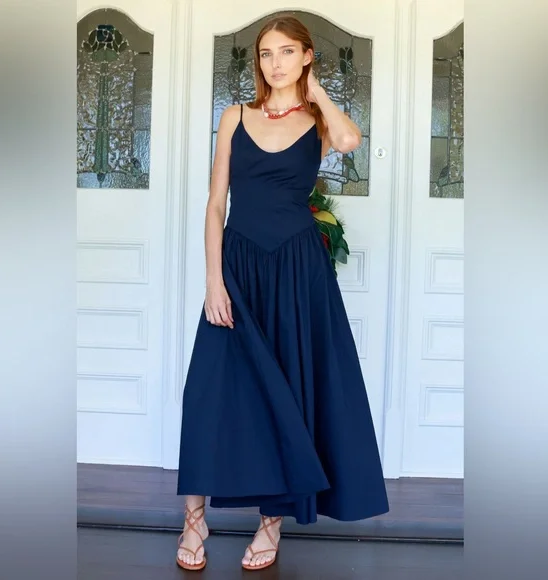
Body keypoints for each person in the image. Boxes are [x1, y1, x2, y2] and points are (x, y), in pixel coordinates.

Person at [175, 14, 389, 572]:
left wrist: (318, 94)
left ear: (307, 56)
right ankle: (194, 519)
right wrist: (214, 280)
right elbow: (215, 204)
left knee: (289, 392)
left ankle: (270, 525)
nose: (275, 63)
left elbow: (350, 140)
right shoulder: (234, 116)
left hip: (298, 270)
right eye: (266, 53)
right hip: (239, 264)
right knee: (210, 390)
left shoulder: (318, 121)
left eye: (287, 52)